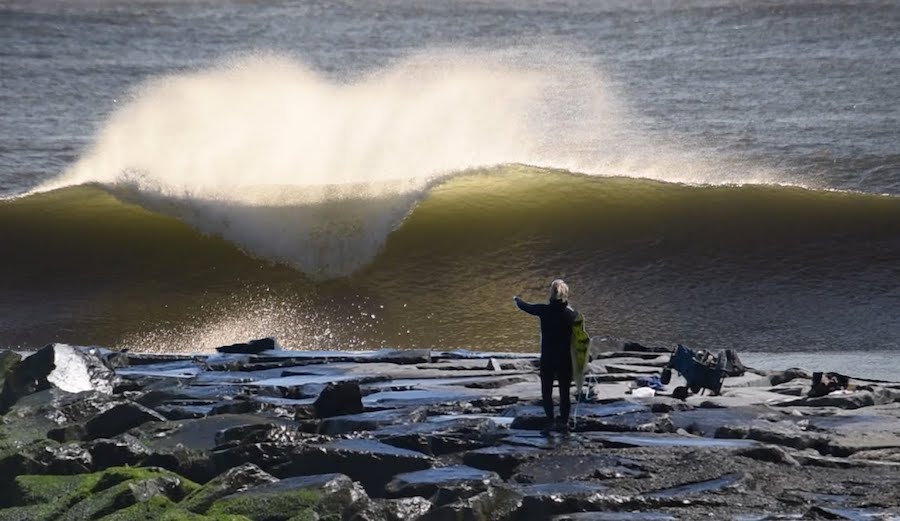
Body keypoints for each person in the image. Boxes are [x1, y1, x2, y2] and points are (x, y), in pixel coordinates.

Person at [514, 279, 578, 432]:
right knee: (565, 392)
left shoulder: (543, 310)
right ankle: (564, 422)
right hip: (566, 359)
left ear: (551, 294)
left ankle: (550, 419)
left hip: (548, 357)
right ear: (566, 294)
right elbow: (580, 339)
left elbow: (526, 307)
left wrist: (517, 299)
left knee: (547, 391)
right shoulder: (573, 315)